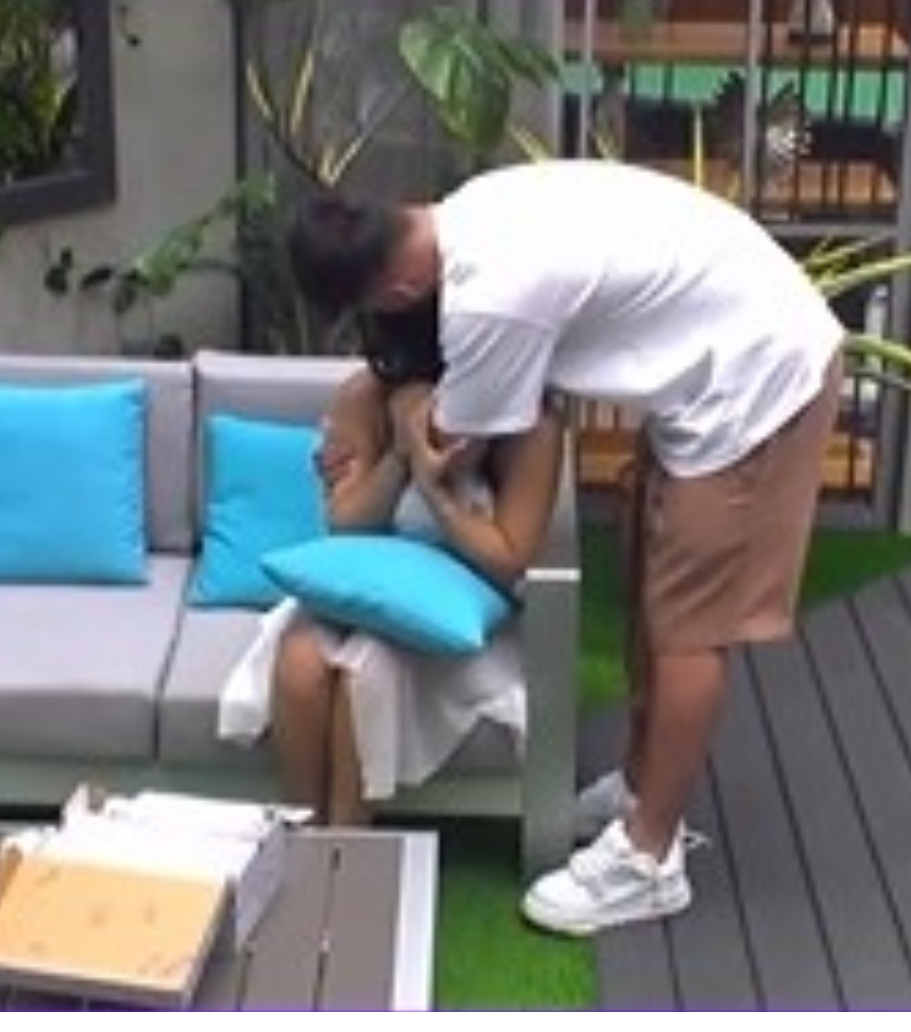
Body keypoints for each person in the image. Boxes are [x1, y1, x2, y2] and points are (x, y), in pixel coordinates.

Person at [287, 159, 845, 936]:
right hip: (712, 368)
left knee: (690, 631)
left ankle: (648, 860)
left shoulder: (489, 301)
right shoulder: (471, 209)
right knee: (656, 595)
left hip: (754, 384)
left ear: (397, 291)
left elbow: (445, 448)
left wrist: (403, 417)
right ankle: (640, 790)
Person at [245, 306, 564, 827]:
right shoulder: (364, 398)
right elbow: (344, 526)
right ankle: (304, 831)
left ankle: (348, 838)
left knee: (368, 668)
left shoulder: (533, 426)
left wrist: (437, 491)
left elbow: (508, 561)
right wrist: (399, 457)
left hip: (462, 612)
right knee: (300, 659)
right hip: (361, 585)